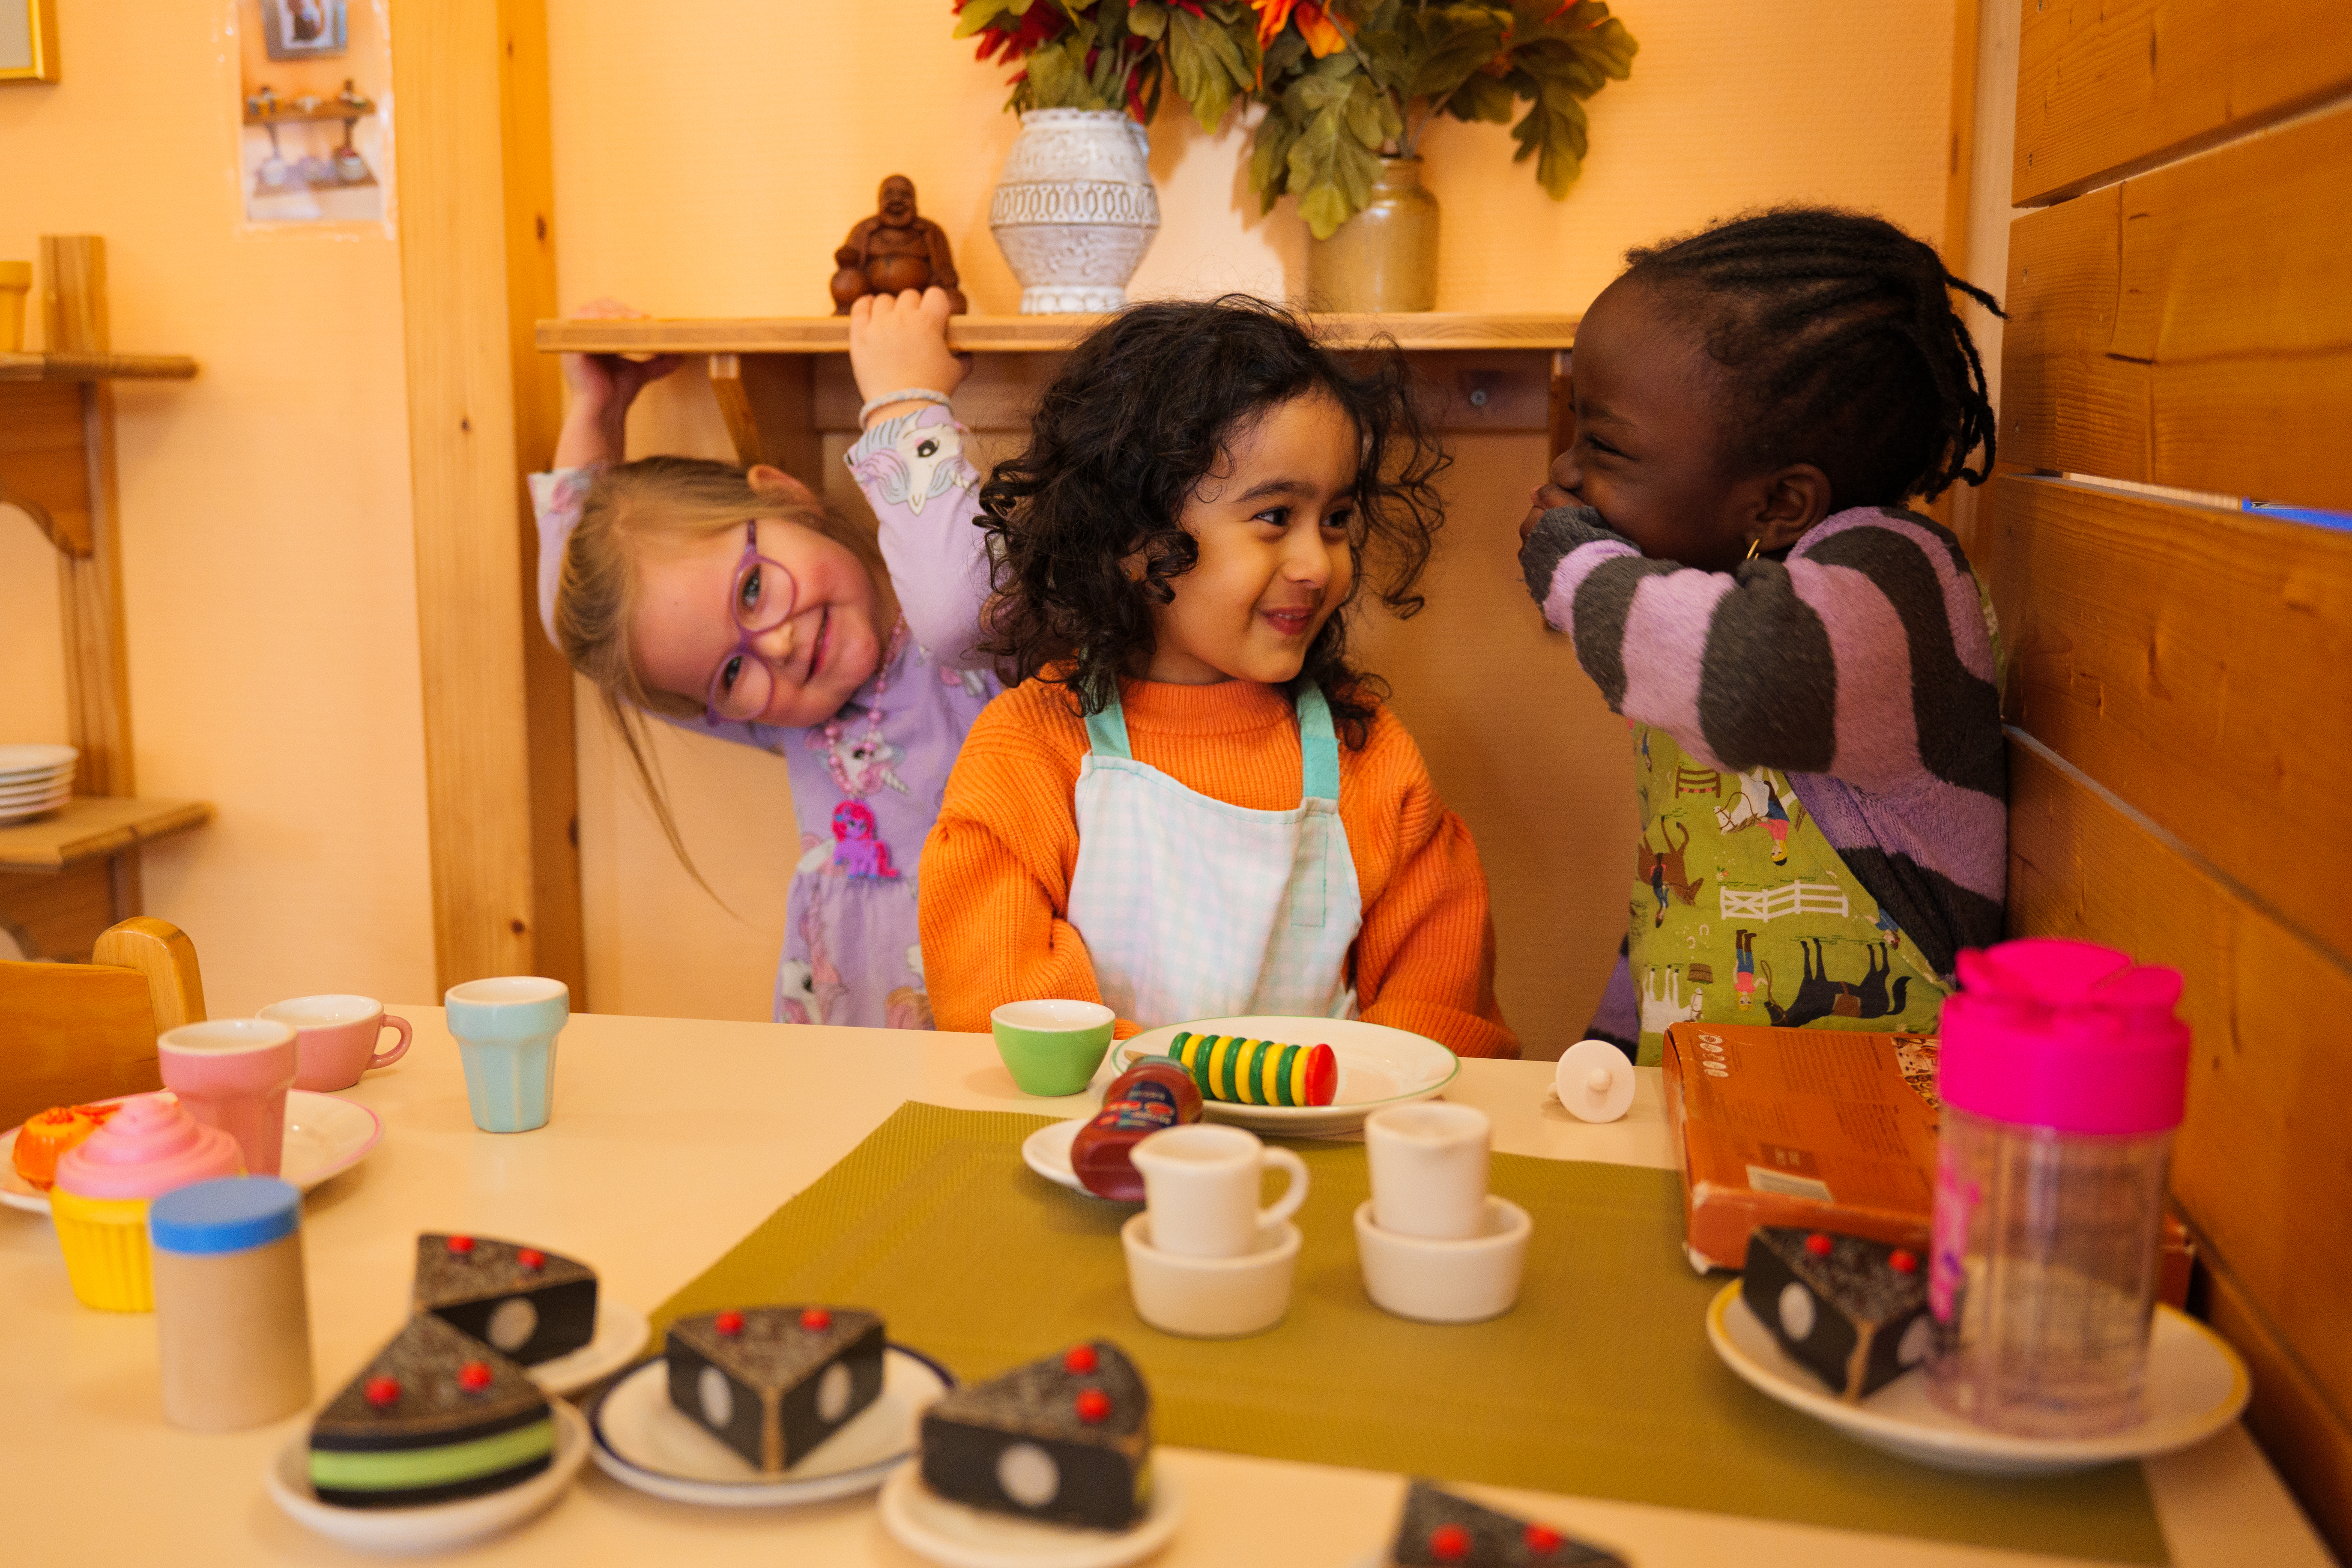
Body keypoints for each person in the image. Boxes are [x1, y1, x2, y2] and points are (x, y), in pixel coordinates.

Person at [917, 297, 1519, 1058]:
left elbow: (1442, 1022)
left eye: (1335, 519)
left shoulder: (1373, 758)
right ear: (1133, 539)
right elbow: (1004, 1006)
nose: (1317, 564)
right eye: (1274, 516)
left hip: (1326, 1158)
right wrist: (1212, 1085)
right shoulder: (1028, 750)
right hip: (1102, 1150)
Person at [1516, 207, 2007, 1063]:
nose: (1565, 472)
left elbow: (1743, 676)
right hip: (1723, 1115)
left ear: (1779, 505)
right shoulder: (1727, 608)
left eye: (1602, 444)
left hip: (1886, 1132)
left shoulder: (1894, 585)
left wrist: (1573, 563)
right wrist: (1615, 1045)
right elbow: (1682, 910)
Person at [534, 288, 997, 1029]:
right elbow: (582, 635)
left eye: (752, 588)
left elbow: (959, 601)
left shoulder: (983, 628)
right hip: (843, 1074)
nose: (775, 645)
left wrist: (905, 404)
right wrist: (597, 410)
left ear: (786, 496)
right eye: (730, 672)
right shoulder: (787, 719)